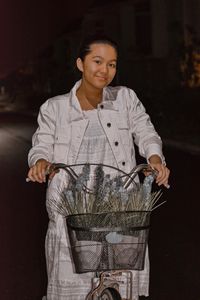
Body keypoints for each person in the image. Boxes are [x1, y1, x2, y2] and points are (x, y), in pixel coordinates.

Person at [27, 34, 170, 300]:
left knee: (118, 280)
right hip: (73, 212)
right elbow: (41, 144)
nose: (105, 70)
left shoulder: (125, 98)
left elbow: (146, 132)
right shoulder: (55, 108)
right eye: (97, 61)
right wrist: (40, 163)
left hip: (118, 207)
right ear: (80, 63)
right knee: (74, 284)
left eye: (112, 64)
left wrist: (155, 159)